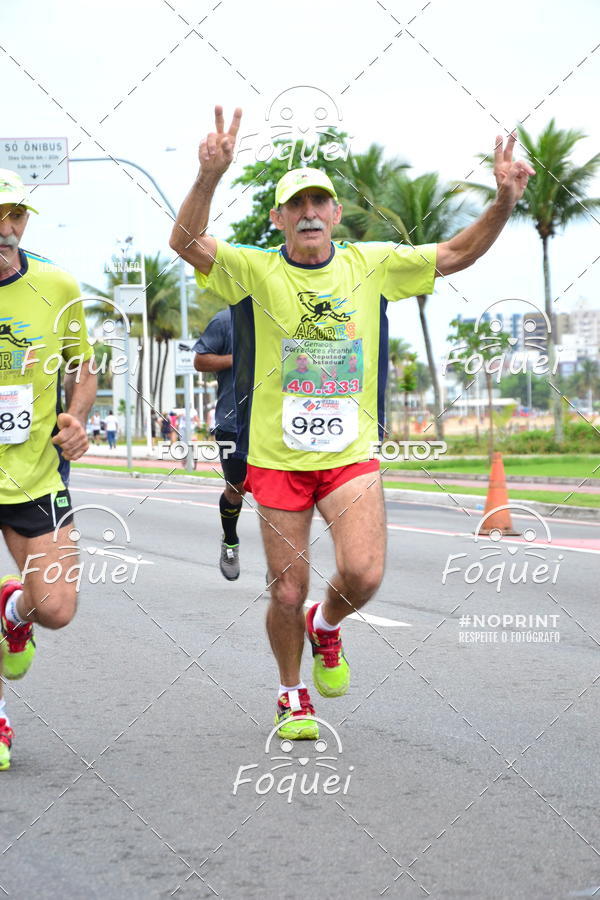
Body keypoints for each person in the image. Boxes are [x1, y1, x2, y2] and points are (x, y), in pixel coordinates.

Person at [170, 106, 534, 740]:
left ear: (336, 214)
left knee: (363, 574)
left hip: (349, 454)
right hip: (277, 458)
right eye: (296, 204)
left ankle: (327, 624)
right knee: (287, 590)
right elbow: (184, 242)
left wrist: (503, 202)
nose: (309, 212)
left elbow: (456, 252)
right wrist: (209, 176)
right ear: (278, 218)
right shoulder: (254, 270)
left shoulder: (372, 263)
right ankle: (291, 693)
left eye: (320, 202)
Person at [0, 169, 97, 769]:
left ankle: (14, 611)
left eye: (15, 214)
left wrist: (77, 417)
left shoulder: (57, 286)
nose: (5, 227)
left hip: (34, 474)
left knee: (56, 608)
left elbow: (83, 366)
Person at [193, 308, 247, 581]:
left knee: (276, 493)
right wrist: (241, 358)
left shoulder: (280, 315)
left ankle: (280, 563)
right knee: (236, 489)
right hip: (232, 423)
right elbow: (201, 361)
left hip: (274, 423)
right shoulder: (225, 320)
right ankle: (230, 541)